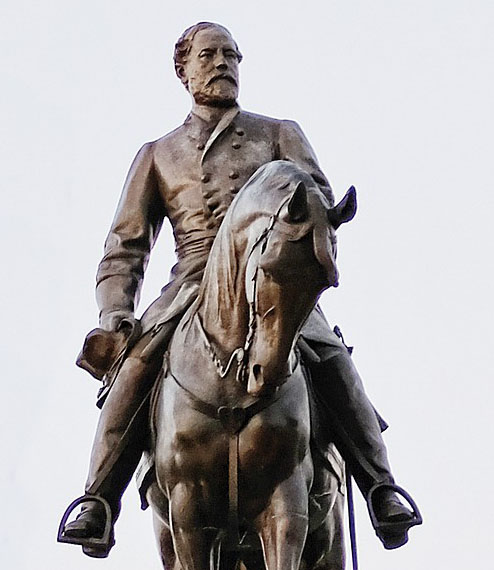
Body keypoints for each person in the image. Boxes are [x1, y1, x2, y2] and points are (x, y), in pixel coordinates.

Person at [61, 22, 419, 558]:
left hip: (272, 276)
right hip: (191, 283)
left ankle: (381, 487)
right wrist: (115, 313)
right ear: (183, 70)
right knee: (135, 367)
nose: (222, 64)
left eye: (231, 55)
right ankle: (97, 499)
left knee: (330, 355)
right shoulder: (157, 154)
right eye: (208, 56)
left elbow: (317, 203)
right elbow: (125, 247)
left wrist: (294, 244)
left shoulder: (278, 133)